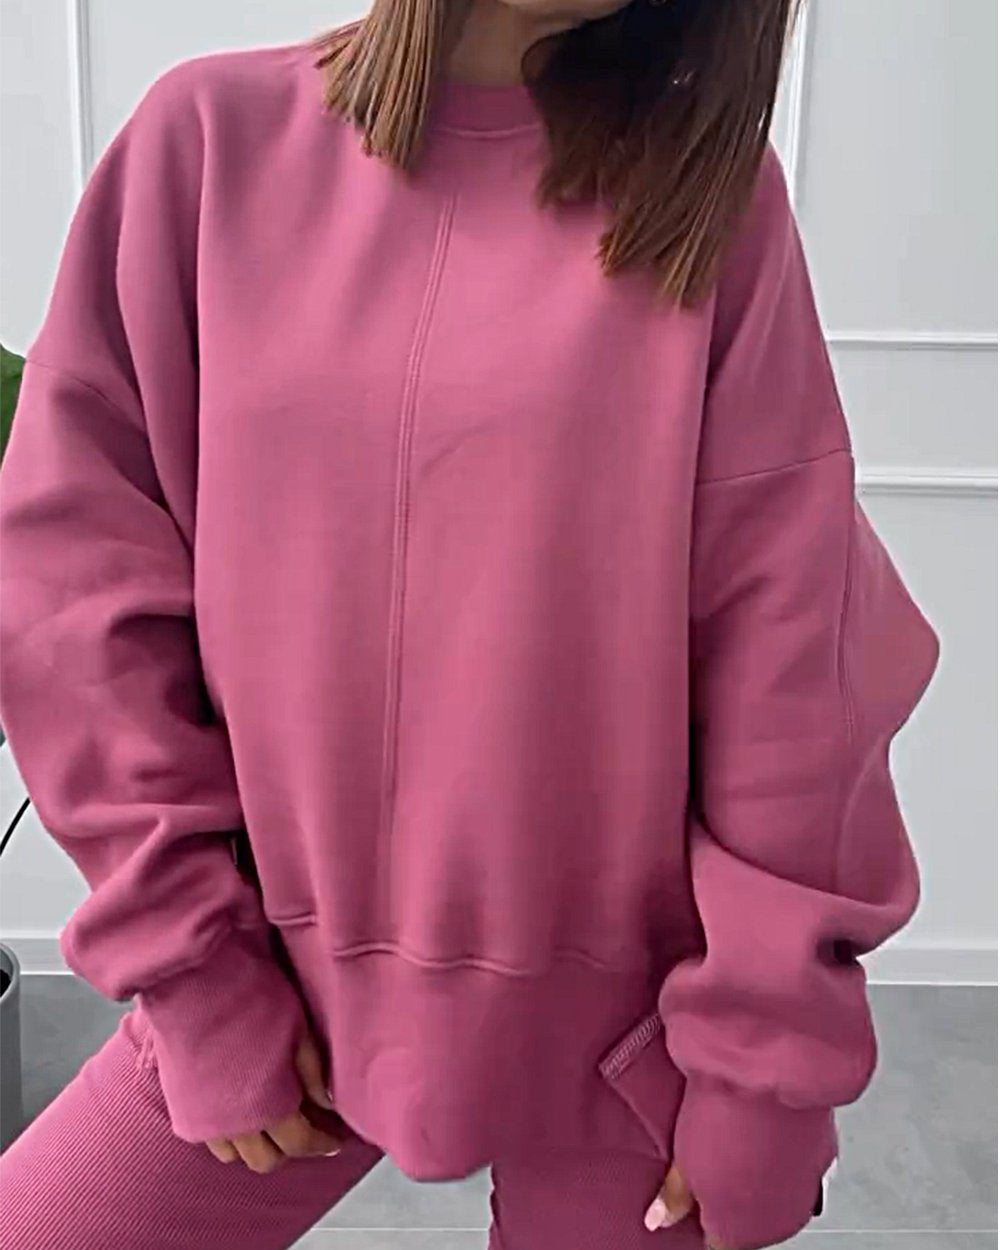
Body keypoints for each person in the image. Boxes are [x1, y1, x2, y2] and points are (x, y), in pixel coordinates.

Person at [0, 1, 940, 1247]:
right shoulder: (206, 143)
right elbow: (75, 591)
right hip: (266, 971)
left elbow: (790, 662)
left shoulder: (709, 201)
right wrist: (194, 965)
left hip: (637, 1037)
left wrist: (762, 1071)